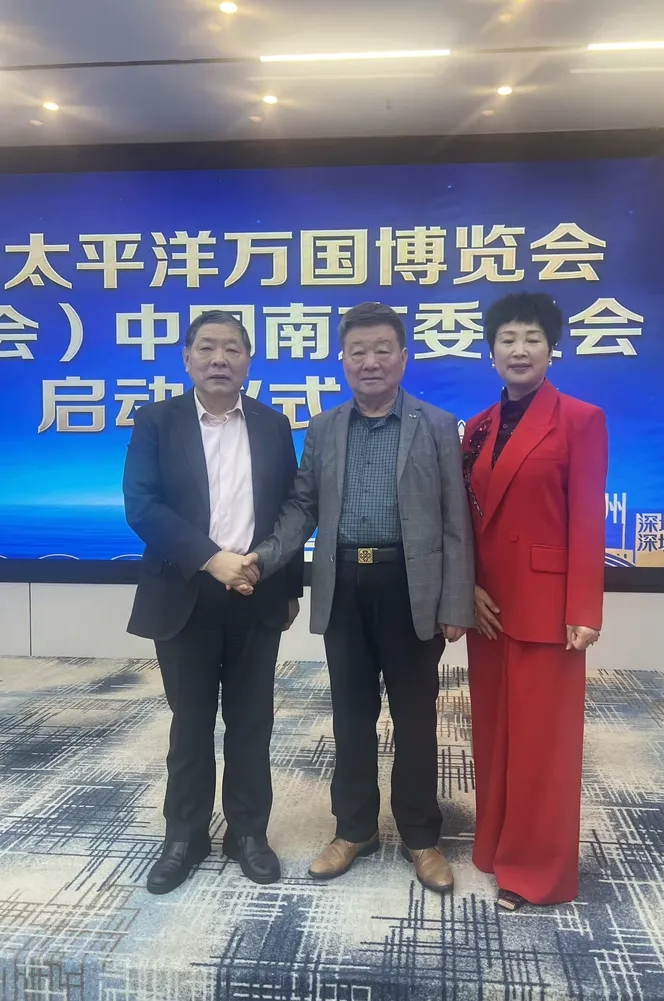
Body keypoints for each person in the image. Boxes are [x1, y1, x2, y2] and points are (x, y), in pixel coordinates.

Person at [242, 302, 475, 894]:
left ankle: (421, 837)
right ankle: (354, 830)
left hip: (411, 588)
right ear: (343, 361)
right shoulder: (324, 427)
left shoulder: (437, 424)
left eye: (382, 350)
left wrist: (456, 603)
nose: (370, 362)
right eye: (358, 352)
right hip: (344, 584)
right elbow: (302, 507)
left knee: (416, 718)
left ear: (403, 357)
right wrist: (264, 557)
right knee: (350, 716)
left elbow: (456, 520)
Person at [123, 309, 303, 895]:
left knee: (252, 723)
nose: (219, 358)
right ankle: (185, 835)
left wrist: (286, 586)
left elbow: (290, 509)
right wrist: (210, 558)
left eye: (231, 348)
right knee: (191, 723)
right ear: (187, 358)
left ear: (248, 360)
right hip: (186, 593)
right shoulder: (157, 421)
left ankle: (248, 833)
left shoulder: (274, 425)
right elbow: (142, 506)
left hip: (255, 592)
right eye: (206, 347)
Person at [462, 292, 608, 911]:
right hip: (488, 608)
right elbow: (467, 519)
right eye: (507, 339)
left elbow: (588, 518)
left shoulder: (580, 419)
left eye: (532, 339)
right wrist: (465, 588)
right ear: (491, 351)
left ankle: (535, 872)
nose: (519, 350)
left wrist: (584, 608)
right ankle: (495, 845)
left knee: (543, 746)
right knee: (494, 735)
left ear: (552, 350)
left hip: (549, 608)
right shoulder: (477, 427)